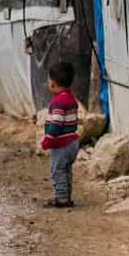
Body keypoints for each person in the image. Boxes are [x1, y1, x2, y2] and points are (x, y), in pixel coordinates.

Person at [39, 62, 81, 207]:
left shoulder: (58, 102)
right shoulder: (71, 99)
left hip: (61, 144)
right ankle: (66, 196)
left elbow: (56, 124)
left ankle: (62, 198)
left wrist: (48, 140)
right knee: (66, 170)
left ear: (53, 83)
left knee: (57, 170)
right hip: (72, 142)